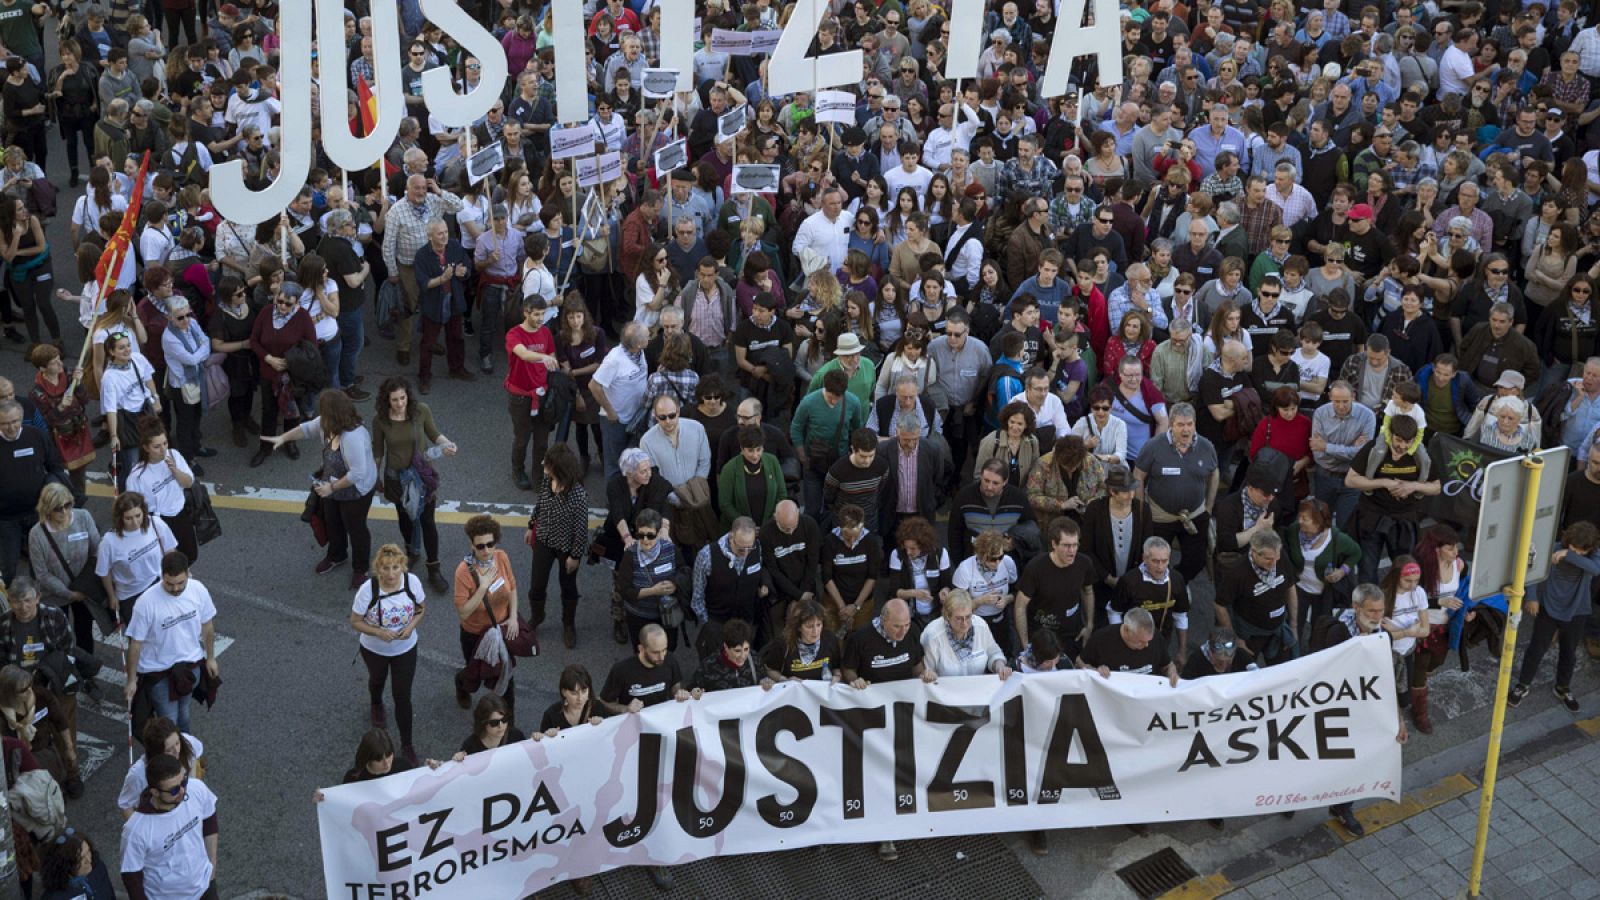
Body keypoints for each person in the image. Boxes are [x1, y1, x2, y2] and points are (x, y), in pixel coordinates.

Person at [1309, 583, 1409, 836]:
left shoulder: (1381, 636)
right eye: (1372, 611)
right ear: (1356, 608)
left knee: (1357, 761)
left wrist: (1400, 720)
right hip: (1334, 710)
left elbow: (1386, 680)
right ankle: (1294, 798)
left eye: (1381, 610)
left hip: (1363, 711)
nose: (1378, 616)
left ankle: (1343, 807)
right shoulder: (1338, 634)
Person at [841, 596, 934, 862]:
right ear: (883, 621)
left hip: (905, 716)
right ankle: (884, 832)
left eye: (905, 625)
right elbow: (847, 669)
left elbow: (916, 664)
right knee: (878, 776)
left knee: (904, 773)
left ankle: (902, 823)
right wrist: (854, 681)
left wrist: (924, 675)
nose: (903, 631)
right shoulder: (861, 639)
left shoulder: (911, 632)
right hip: (872, 719)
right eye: (897, 626)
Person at [263, 389, 379, 590]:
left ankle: (360, 569)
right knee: (332, 521)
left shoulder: (352, 437)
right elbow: (306, 429)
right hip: (330, 485)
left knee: (356, 528)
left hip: (356, 490)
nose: (320, 415)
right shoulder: (327, 423)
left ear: (333, 413)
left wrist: (331, 487)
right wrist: (283, 438)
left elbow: (357, 473)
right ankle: (337, 555)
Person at [371, 377, 457, 590]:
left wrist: (447, 444)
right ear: (386, 400)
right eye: (394, 400)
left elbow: (434, 434)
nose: (400, 404)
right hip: (395, 479)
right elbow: (378, 452)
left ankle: (433, 568)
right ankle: (411, 549)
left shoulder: (421, 411)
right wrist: (376, 477)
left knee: (428, 522)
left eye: (403, 398)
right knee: (405, 518)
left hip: (420, 476)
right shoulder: (380, 420)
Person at [0, 583, 84, 798]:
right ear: (10, 602)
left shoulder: (53, 616)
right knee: (33, 734)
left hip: (55, 683)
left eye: (28, 600)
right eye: (17, 602)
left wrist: (54, 671)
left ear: (37, 597)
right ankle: (42, 781)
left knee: (64, 726)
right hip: (22, 689)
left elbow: (68, 646)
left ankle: (72, 774)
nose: (23, 607)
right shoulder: (4, 624)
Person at [1508, 521, 1600, 714]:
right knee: (1536, 649)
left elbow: (1595, 569)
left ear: (1590, 548)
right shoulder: (1554, 547)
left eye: (1580, 550)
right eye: (1572, 547)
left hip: (1577, 612)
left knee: (1569, 652)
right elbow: (1532, 570)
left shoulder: (1591, 556)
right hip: (1548, 608)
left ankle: (1563, 687)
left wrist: (1570, 555)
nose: (1576, 552)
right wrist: (1532, 597)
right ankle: (1523, 685)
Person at [125, 551, 217, 738]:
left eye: (180, 583)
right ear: (162, 576)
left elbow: (207, 626)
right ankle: (174, 760)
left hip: (191, 668)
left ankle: (185, 756)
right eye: (170, 584)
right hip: (159, 672)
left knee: (184, 715)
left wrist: (211, 658)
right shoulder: (146, 603)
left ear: (188, 573)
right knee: (169, 723)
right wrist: (131, 680)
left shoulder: (198, 590)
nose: (175, 589)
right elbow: (135, 644)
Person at [349, 544, 426, 765]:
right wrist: (378, 632)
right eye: (385, 568)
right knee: (377, 680)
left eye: (395, 567)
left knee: (403, 696)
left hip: (405, 648)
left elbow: (421, 608)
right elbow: (355, 621)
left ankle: (407, 744)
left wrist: (411, 626)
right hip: (374, 649)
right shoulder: (368, 590)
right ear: (378, 568)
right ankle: (376, 704)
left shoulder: (412, 582)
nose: (391, 574)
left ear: (402, 566)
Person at [1346, 415, 1440, 583]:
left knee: (1405, 570)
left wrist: (1413, 486)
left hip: (1404, 518)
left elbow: (1436, 487)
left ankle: (1400, 604)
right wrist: (1383, 482)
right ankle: (1371, 605)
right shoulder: (1374, 449)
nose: (1402, 446)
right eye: (1398, 440)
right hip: (1372, 515)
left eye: (1407, 442)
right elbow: (1350, 480)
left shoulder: (1421, 455)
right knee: (1367, 569)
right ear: (1389, 434)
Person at [1132, 403, 1219, 583]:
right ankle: (1162, 587)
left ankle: (1176, 585)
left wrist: (1209, 506)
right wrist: (1141, 508)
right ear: (1171, 424)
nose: (1186, 430)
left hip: (1195, 514)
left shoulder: (1207, 446)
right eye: (1180, 424)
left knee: (1197, 561)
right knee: (1154, 560)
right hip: (1160, 516)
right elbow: (1138, 475)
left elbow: (1214, 473)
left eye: (1189, 424)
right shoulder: (1153, 446)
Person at [119, 754, 218, 900]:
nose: (182, 791)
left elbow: (209, 816)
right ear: (154, 792)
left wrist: (212, 866)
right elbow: (131, 875)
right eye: (173, 790)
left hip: (205, 887)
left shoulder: (196, 789)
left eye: (183, 782)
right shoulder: (136, 831)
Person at [452, 515, 520, 718]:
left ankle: (509, 724)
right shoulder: (463, 572)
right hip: (475, 634)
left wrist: (514, 617)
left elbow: (513, 587)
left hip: (501, 630)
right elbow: (463, 611)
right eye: (480, 546)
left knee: (505, 678)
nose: (486, 551)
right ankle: (461, 683)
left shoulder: (502, 558)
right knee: (474, 677)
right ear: (471, 544)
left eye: (490, 544)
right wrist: (483, 586)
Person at [528, 443, 591, 649]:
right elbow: (541, 504)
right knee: (537, 584)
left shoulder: (578, 496)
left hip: (566, 547)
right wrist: (531, 525)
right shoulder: (548, 481)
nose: (543, 465)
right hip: (544, 539)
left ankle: (568, 624)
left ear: (559, 468)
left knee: (568, 586)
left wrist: (575, 556)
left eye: (548, 463)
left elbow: (581, 530)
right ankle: (537, 616)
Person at [27, 483, 101, 659]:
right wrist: (69, 594)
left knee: (84, 633)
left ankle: (85, 672)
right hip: (54, 595)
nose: (65, 512)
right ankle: (63, 674)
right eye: (58, 508)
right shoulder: (36, 534)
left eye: (68, 505)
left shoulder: (83, 517)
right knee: (58, 638)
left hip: (83, 590)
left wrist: (84, 586)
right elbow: (42, 574)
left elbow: (97, 550)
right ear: (47, 510)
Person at [1213, 531, 1299, 665]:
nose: (1274, 563)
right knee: (1244, 674)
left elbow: (1290, 586)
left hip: (1278, 631)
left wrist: (1293, 626)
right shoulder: (1237, 572)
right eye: (1268, 559)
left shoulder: (1280, 558)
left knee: (1283, 671)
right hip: (1250, 636)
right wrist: (1234, 638)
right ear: (1254, 552)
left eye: (1276, 557)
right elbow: (1220, 605)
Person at [1284, 498, 1361, 649]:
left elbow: (1355, 553)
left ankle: (1316, 655)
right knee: (1294, 624)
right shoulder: (1293, 531)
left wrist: (1342, 571)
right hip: (1300, 588)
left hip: (1324, 592)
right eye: (1299, 516)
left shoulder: (1337, 538)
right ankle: (1295, 657)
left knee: (1319, 627)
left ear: (1318, 522)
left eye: (1305, 518)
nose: (1300, 521)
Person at [1108, 537, 1192, 668]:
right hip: (1133, 642)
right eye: (1155, 561)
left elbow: (1180, 616)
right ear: (1144, 559)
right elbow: (1114, 612)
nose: (1160, 567)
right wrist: (1120, 642)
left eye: (1164, 561)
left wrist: (1182, 651)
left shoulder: (1176, 580)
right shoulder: (1129, 581)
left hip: (1161, 641)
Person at [123, 422, 198, 565]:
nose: (163, 450)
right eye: (157, 446)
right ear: (146, 448)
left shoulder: (174, 455)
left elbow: (188, 483)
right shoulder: (137, 476)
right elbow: (134, 507)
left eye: (165, 443)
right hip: (159, 521)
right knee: (169, 562)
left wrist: (175, 471)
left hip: (181, 514)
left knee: (190, 555)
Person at [505, 294, 559, 490]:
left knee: (542, 441)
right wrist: (544, 357)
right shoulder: (514, 334)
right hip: (520, 396)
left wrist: (551, 361)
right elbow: (524, 354)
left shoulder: (545, 332)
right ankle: (517, 469)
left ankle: (539, 476)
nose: (540, 319)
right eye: (536, 314)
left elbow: (552, 354)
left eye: (543, 314)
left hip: (543, 395)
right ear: (525, 312)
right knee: (522, 439)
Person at [95, 492, 174, 626]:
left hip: (158, 584)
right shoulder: (109, 542)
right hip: (130, 596)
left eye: (138, 515)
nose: (135, 522)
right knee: (140, 637)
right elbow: (104, 572)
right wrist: (112, 596)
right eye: (129, 518)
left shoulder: (155, 523)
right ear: (120, 518)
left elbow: (170, 551)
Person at [615, 508, 689, 649]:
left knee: (668, 650)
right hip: (640, 616)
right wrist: (653, 591)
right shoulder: (630, 555)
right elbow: (624, 590)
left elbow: (683, 570)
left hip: (667, 614)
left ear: (659, 532)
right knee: (642, 652)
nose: (645, 540)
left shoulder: (670, 549)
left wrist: (674, 584)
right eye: (641, 535)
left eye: (650, 535)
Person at [117, 716, 203, 820]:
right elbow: (125, 804)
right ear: (155, 753)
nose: (177, 751)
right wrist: (138, 830)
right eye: (169, 750)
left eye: (177, 743)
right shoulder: (138, 774)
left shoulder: (187, 742)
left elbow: (194, 758)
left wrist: (193, 783)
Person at [921, 589, 1014, 677]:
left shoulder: (980, 625)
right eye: (959, 618)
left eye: (968, 616)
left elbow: (994, 653)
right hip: (945, 691)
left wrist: (1000, 667)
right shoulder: (933, 635)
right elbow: (928, 671)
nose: (965, 623)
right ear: (947, 616)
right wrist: (929, 674)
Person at [1078, 607, 1178, 686]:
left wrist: (1172, 672)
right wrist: (1095, 671)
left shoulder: (1156, 637)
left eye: (1148, 641)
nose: (1146, 645)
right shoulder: (1101, 639)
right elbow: (1079, 663)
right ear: (1126, 630)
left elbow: (1167, 665)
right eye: (1140, 641)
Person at [763, 599, 843, 682]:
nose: (815, 631)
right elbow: (769, 670)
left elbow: (836, 667)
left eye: (819, 625)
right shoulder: (783, 643)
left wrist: (837, 676)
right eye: (809, 626)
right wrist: (785, 680)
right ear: (798, 627)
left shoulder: (830, 639)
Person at [38, 828, 117, 900]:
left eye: (88, 852)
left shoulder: (98, 867)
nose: (88, 860)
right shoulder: (54, 897)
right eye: (81, 859)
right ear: (65, 866)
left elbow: (110, 894)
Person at [689, 618, 765, 691]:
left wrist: (765, 683)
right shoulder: (708, 667)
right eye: (737, 651)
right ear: (726, 647)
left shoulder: (755, 659)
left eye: (746, 649)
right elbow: (692, 690)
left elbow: (763, 679)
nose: (743, 656)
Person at [536, 664, 605, 736]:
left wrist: (604, 723)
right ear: (563, 692)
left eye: (584, 691)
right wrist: (547, 735)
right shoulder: (551, 715)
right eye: (574, 693)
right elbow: (541, 743)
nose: (580, 698)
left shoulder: (598, 708)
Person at [1179, 628, 1258, 679]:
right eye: (1219, 662)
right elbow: (1186, 684)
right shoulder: (1196, 659)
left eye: (1228, 661)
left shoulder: (1241, 654)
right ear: (1210, 653)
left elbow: (1258, 675)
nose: (1224, 666)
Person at [459, 694, 527, 753]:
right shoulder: (470, 746)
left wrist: (535, 742)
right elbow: (461, 765)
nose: (501, 726)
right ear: (483, 723)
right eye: (494, 723)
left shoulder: (516, 736)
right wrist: (458, 759)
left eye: (504, 719)